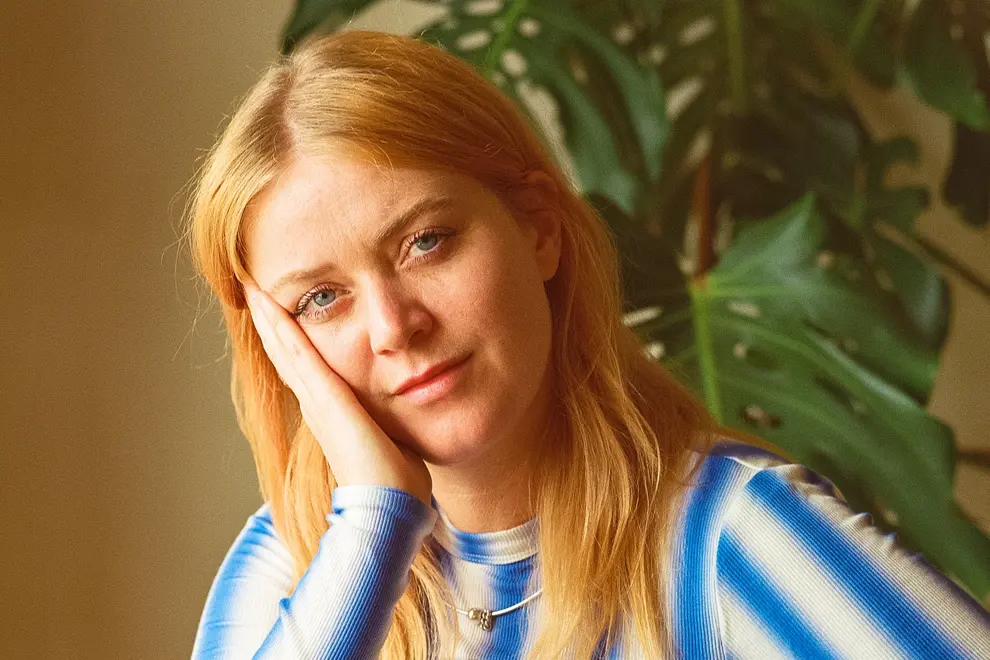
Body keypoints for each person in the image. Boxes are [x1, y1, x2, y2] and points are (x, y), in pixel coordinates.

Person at [186, 30, 990, 659]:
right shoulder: (296, 560)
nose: (395, 327)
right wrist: (375, 518)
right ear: (280, 343)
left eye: (426, 242)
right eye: (322, 299)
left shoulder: (724, 535)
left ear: (539, 229)